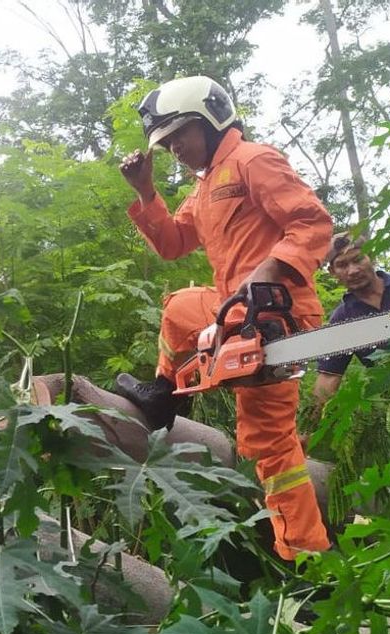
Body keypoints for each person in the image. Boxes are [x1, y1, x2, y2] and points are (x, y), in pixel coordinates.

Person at [115, 75, 333, 560]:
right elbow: (173, 244)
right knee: (178, 307)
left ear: (210, 119)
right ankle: (163, 397)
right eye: (167, 143)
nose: (175, 149)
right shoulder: (207, 183)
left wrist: (267, 274)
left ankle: (306, 556)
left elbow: (313, 223)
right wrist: (147, 193)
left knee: (266, 446)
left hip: (278, 316)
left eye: (180, 137)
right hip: (234, 309)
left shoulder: (254, 160)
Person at [310, 234, 390, 418]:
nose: (353, 270)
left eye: (357, 259)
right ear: (332, 272)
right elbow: (329, 377)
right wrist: (309, 427)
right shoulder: (343, 320)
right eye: (342, 265)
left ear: (371, 255)